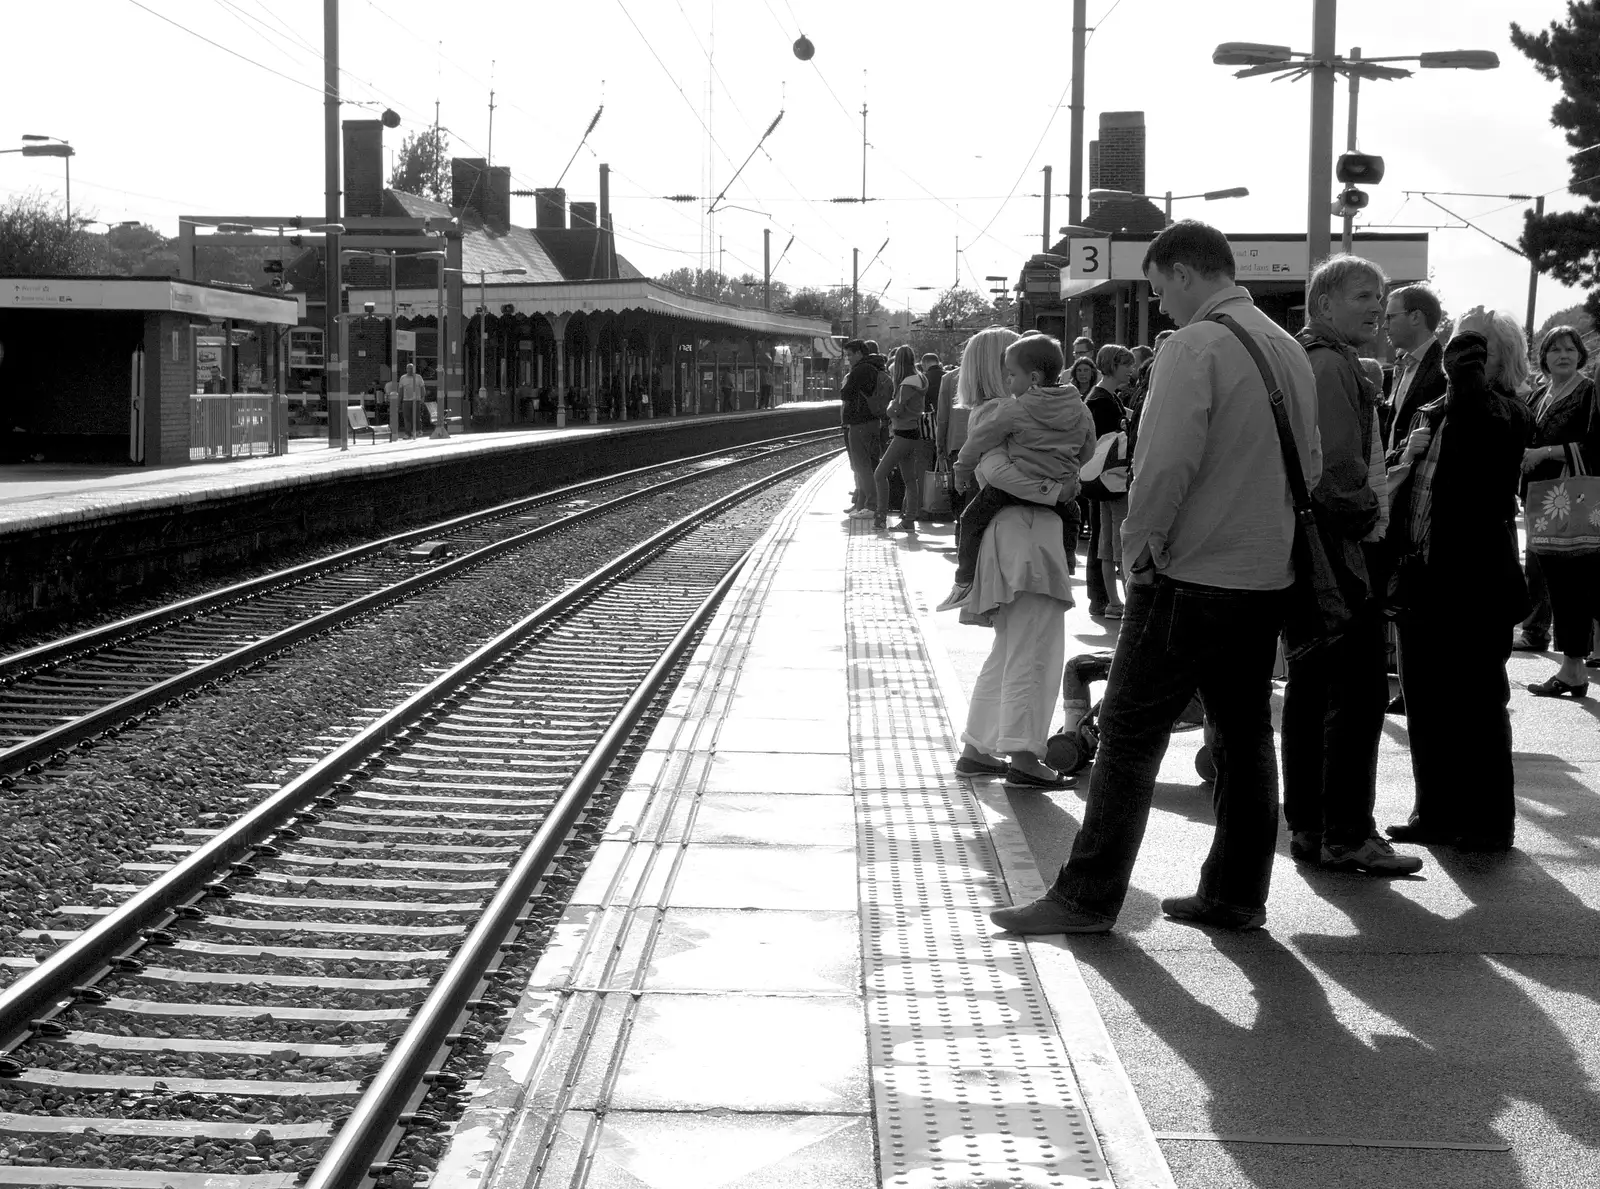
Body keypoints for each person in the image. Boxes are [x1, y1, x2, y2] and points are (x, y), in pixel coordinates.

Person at [991, 219, 1320, 935]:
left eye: (1158, 286)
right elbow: (1312, 466)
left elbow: (1163, 465)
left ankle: (1085, 894)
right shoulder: (1286, 347)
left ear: (1181, 272)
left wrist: (1141, 553)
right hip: (1264, 577)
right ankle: (1236, 892)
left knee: (1132, 735)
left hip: (1186, 574)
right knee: (1243, 733)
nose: (1159, 304)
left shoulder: (1194, 347)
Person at [1281, 256, 1420, 876]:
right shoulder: (1333, 364)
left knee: (1311, 693)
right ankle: (1347, 833)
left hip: (1307, 556)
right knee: (1358, 696)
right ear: (1325, 303)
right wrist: (1371, 520)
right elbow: (1335, 473)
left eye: (1382, 295)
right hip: (1338, 559)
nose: (1375, 306)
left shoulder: (1308, 356)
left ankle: (1310, 827)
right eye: (1364, 294)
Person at [1386, 311, 1533, 850]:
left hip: (1476, 585)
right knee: (1425, 704)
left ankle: (1489, 824)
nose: (1459, 356)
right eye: (1457, 345)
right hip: (1422, 576)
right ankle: (1437, 813)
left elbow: (1479, 415)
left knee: (1476, 706)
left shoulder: (1506, 411)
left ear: (1500, 359)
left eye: (1476, 349)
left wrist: (1463, 366)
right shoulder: (1438, 408)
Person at [950, 326, 1077, 790]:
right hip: (1028, 541)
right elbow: (996, 473)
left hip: (1014, 539)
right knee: (1036, 651)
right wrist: (1056, 488)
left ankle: (978, 750)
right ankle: (1025, 756)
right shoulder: (1010, 413)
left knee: (1010, 650)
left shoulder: (1000, 415)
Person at [939, 333, 1094, 609]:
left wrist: (961, 470)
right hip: (1060, 487)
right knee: (1073, 515)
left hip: (1015, 489)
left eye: (1011, 375)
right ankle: (1066, 565)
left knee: (971, 519)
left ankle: (964, 581)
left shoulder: (1014, 408)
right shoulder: (1080, 408)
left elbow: (978, 440)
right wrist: (1070, 467)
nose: (1008, 381)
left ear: (1033, 378)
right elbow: (1088, 448)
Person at [1524, 323, 1600, 697]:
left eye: (1571, 348)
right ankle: (1573, 670)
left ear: (1581, 355)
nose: (1564, 355)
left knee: (1578, 586)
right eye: (1555, 349)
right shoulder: (1539, 395)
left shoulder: (1589, 392)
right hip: (1543, 500)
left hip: (1575, 500)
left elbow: (1596, 445)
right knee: (1559, 586)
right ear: (1544, 357)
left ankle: (1573, 669)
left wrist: (1546, 452)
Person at [1085, 347, 1133, 618]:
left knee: (1105, 542)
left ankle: (1112, 601)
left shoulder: (1103, 396)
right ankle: (1119, 600)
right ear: (1112, 365)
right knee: (1118, 543)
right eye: (1126, 364)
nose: (1131, 370)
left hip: (1102, 480)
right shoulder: (1103, 401)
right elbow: (1112, 440)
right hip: (1112, 478)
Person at [873, 345, 928, 533]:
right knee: (910, 480)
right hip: (914, 433)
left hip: (902, 435)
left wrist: (890, 404)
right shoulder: (920, 379)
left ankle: (880, 518)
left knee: (879, 474)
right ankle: (909, 521)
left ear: (899, 362)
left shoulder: (906, 385)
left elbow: (893, 410)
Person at [839, 339, 881, 516]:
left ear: (859, 353)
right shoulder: (876, 367)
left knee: (861, 466)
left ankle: (871, 505)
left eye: (850, 354)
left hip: (859, 422)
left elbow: (845, 393)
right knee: (869, 464)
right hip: (873, 421)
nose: (848, 358)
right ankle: (863, 503)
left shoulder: (860, 370)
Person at [397, 363, 426, 438]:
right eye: (408, 368)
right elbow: (400, 391)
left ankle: (418, 430)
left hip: (416, 400)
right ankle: (407, 433)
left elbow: (423, 389)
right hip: (406, 400)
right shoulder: (403, 378)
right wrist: (399, 402)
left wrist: (422, 399)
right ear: (406, 369)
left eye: (411, 368)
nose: (409, 370)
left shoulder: (418, 377)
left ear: (414, 369)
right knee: (407, 417)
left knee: (416, 416)